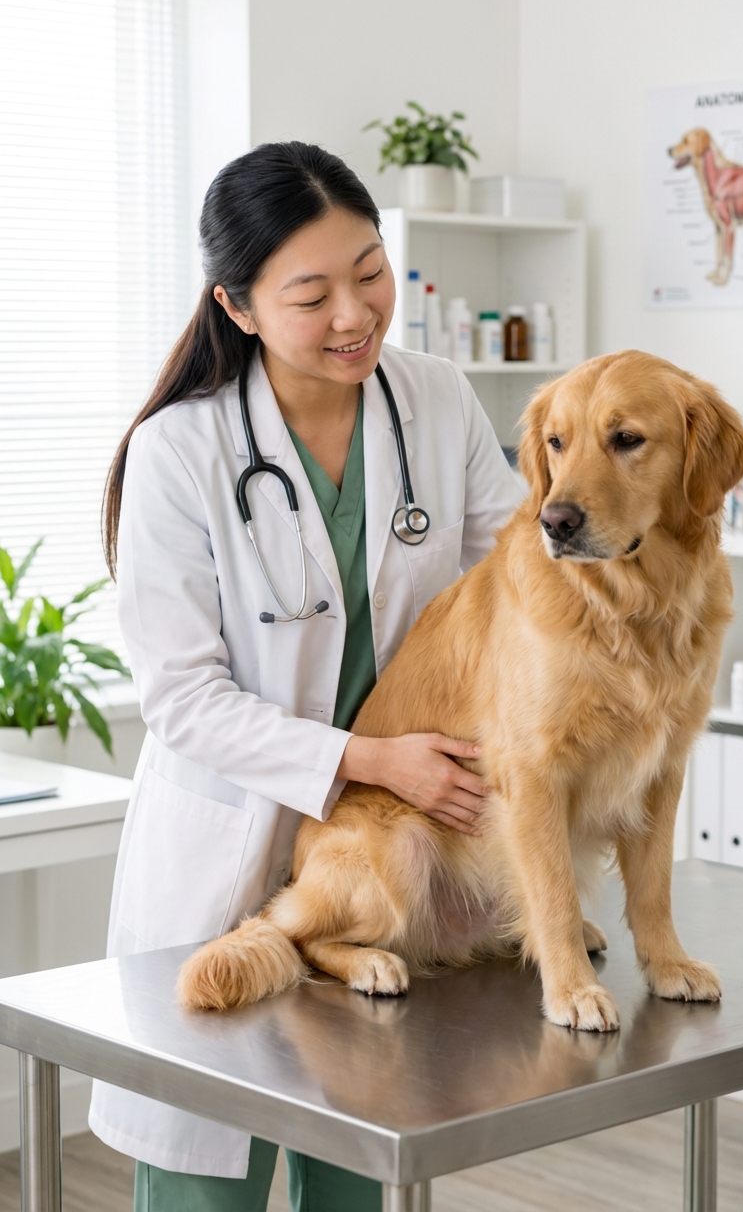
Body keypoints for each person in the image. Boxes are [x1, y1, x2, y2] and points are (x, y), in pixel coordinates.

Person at [90, 140, 521, 1212]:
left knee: (357, 1170)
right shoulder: (179, 453)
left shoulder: (431, 398)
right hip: (228, 857)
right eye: (310, 292)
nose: (354, 313)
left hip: (384, 862)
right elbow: (182, 699)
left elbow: (514, 579)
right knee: (207, 1184)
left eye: (369, 270)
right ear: (236, 306)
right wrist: (373, 760)